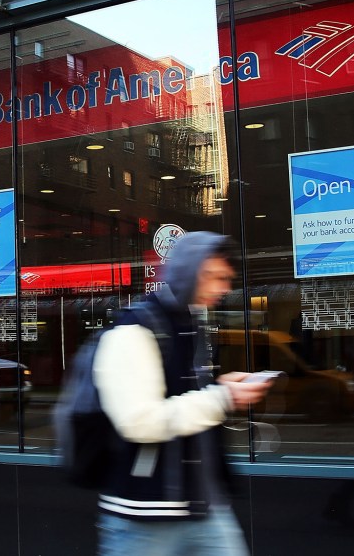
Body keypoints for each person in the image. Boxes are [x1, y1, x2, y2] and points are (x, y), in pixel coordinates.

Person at [92, 232, 272, 556]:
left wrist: (220, 388)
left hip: (204, 504)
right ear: (188, 273)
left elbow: (186, 397)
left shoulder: (191, 324)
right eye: (214, 277)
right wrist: (222, 397)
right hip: (144, 515)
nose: (223, 288)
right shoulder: (135, 329)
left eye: (227, 279)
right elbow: (139, 422)